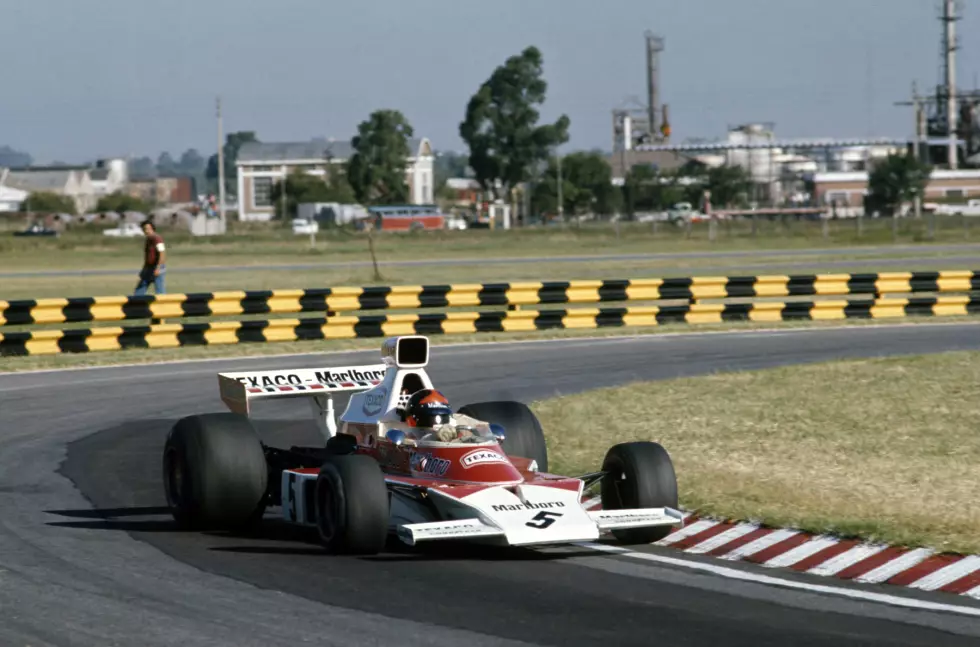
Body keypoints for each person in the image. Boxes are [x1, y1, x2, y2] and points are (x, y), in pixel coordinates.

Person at [403, 389, 475, 443]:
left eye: (443, 418)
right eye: (429, 419)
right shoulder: (407, 440)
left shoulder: (460, 429)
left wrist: (461, 435)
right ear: (413, 419)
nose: (437, 425)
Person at [134, 220, 166, 295]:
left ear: (153, 229)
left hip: (156, 266)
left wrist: (158, 268)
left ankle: (163, 305)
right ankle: (137, 304)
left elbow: (162, 253)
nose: (147, 231)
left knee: (160, 290)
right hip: (148, 267)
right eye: (145, 229)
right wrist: (144, 269)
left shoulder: (157, 238)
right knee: (139, 289)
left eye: (149, 229)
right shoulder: (148, 239)